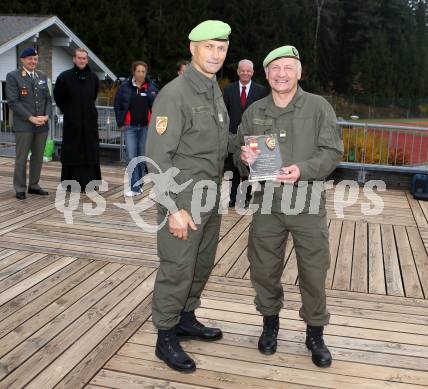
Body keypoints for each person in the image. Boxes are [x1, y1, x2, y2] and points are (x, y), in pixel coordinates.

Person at [232, 45, 343, 367]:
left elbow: (332, 150)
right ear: (266, 74)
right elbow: (243, 155)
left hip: (307, 204)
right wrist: (244, 160)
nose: (282, 74)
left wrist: (303, 170)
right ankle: (270, 324)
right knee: (264, 269)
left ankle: (315, 333)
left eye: (288, 68)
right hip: (267, 204)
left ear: (299, 72)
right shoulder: (255, 111)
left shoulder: (319, 107)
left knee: (313, 271)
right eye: (275, 68)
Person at [146, 20, 231, 373]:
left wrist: (250, 149)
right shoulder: (175, 94)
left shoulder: (214, 91)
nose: (216, 54)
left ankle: (185, 317)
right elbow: (157, 159)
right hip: (182, 200)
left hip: (210, 198)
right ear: (192, 47)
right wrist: (173, 210)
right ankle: (165, 335)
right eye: (209, 46)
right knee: (177, 268)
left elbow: (219, 143)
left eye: (222, 47)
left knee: (200, 264)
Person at [6, 47, 52, 200]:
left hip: (42, 124)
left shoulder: (42, 75)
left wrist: (46, 116)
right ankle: (20, 188)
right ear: (22, 60)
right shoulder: (13, 76)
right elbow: (13, 101)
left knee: (38, 157)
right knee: (21, 157)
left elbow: (48, 99)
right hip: (24, 124)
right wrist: (31, 118)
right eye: (30, 59)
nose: (33, 62)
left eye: (35, 59)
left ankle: (34, 185)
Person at [53, 48, 101, 192]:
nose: (81, 60)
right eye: (79, 58)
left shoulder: (93, 78)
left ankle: (91, 183)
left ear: (87, 60)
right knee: (72, 151)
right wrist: (69, 111)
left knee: (90, 151)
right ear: (74, 59)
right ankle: (70, 184)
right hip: (72, 123)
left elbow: (93, 95)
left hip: (89, 123)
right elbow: (58, 97)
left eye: (84, 58)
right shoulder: (64, 77)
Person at [223, 59, 267, 208]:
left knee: (248, 168)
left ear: (252, 72)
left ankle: (246, 197)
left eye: (248, 70)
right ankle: (233, 198)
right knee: (233, 168)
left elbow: (263, 114)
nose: (245, 73)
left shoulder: (261, 91)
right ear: (238, 72)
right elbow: (224, 112)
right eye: (242, 70)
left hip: (252, 135)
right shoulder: (229, 89)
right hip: (233, 135)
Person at [114, 61, 158, 196]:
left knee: (142, 157)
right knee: (131, 156)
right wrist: (120, 122)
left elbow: (158, 106)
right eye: (138, 71)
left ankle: (138, 184)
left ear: (146, 73)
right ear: (133, 72)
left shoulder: (152, 88)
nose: (141, 74)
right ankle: (134, 186)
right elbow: (117, 105)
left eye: (143, 71)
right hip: (130, 128)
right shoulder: (124, 87)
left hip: (146, 128)